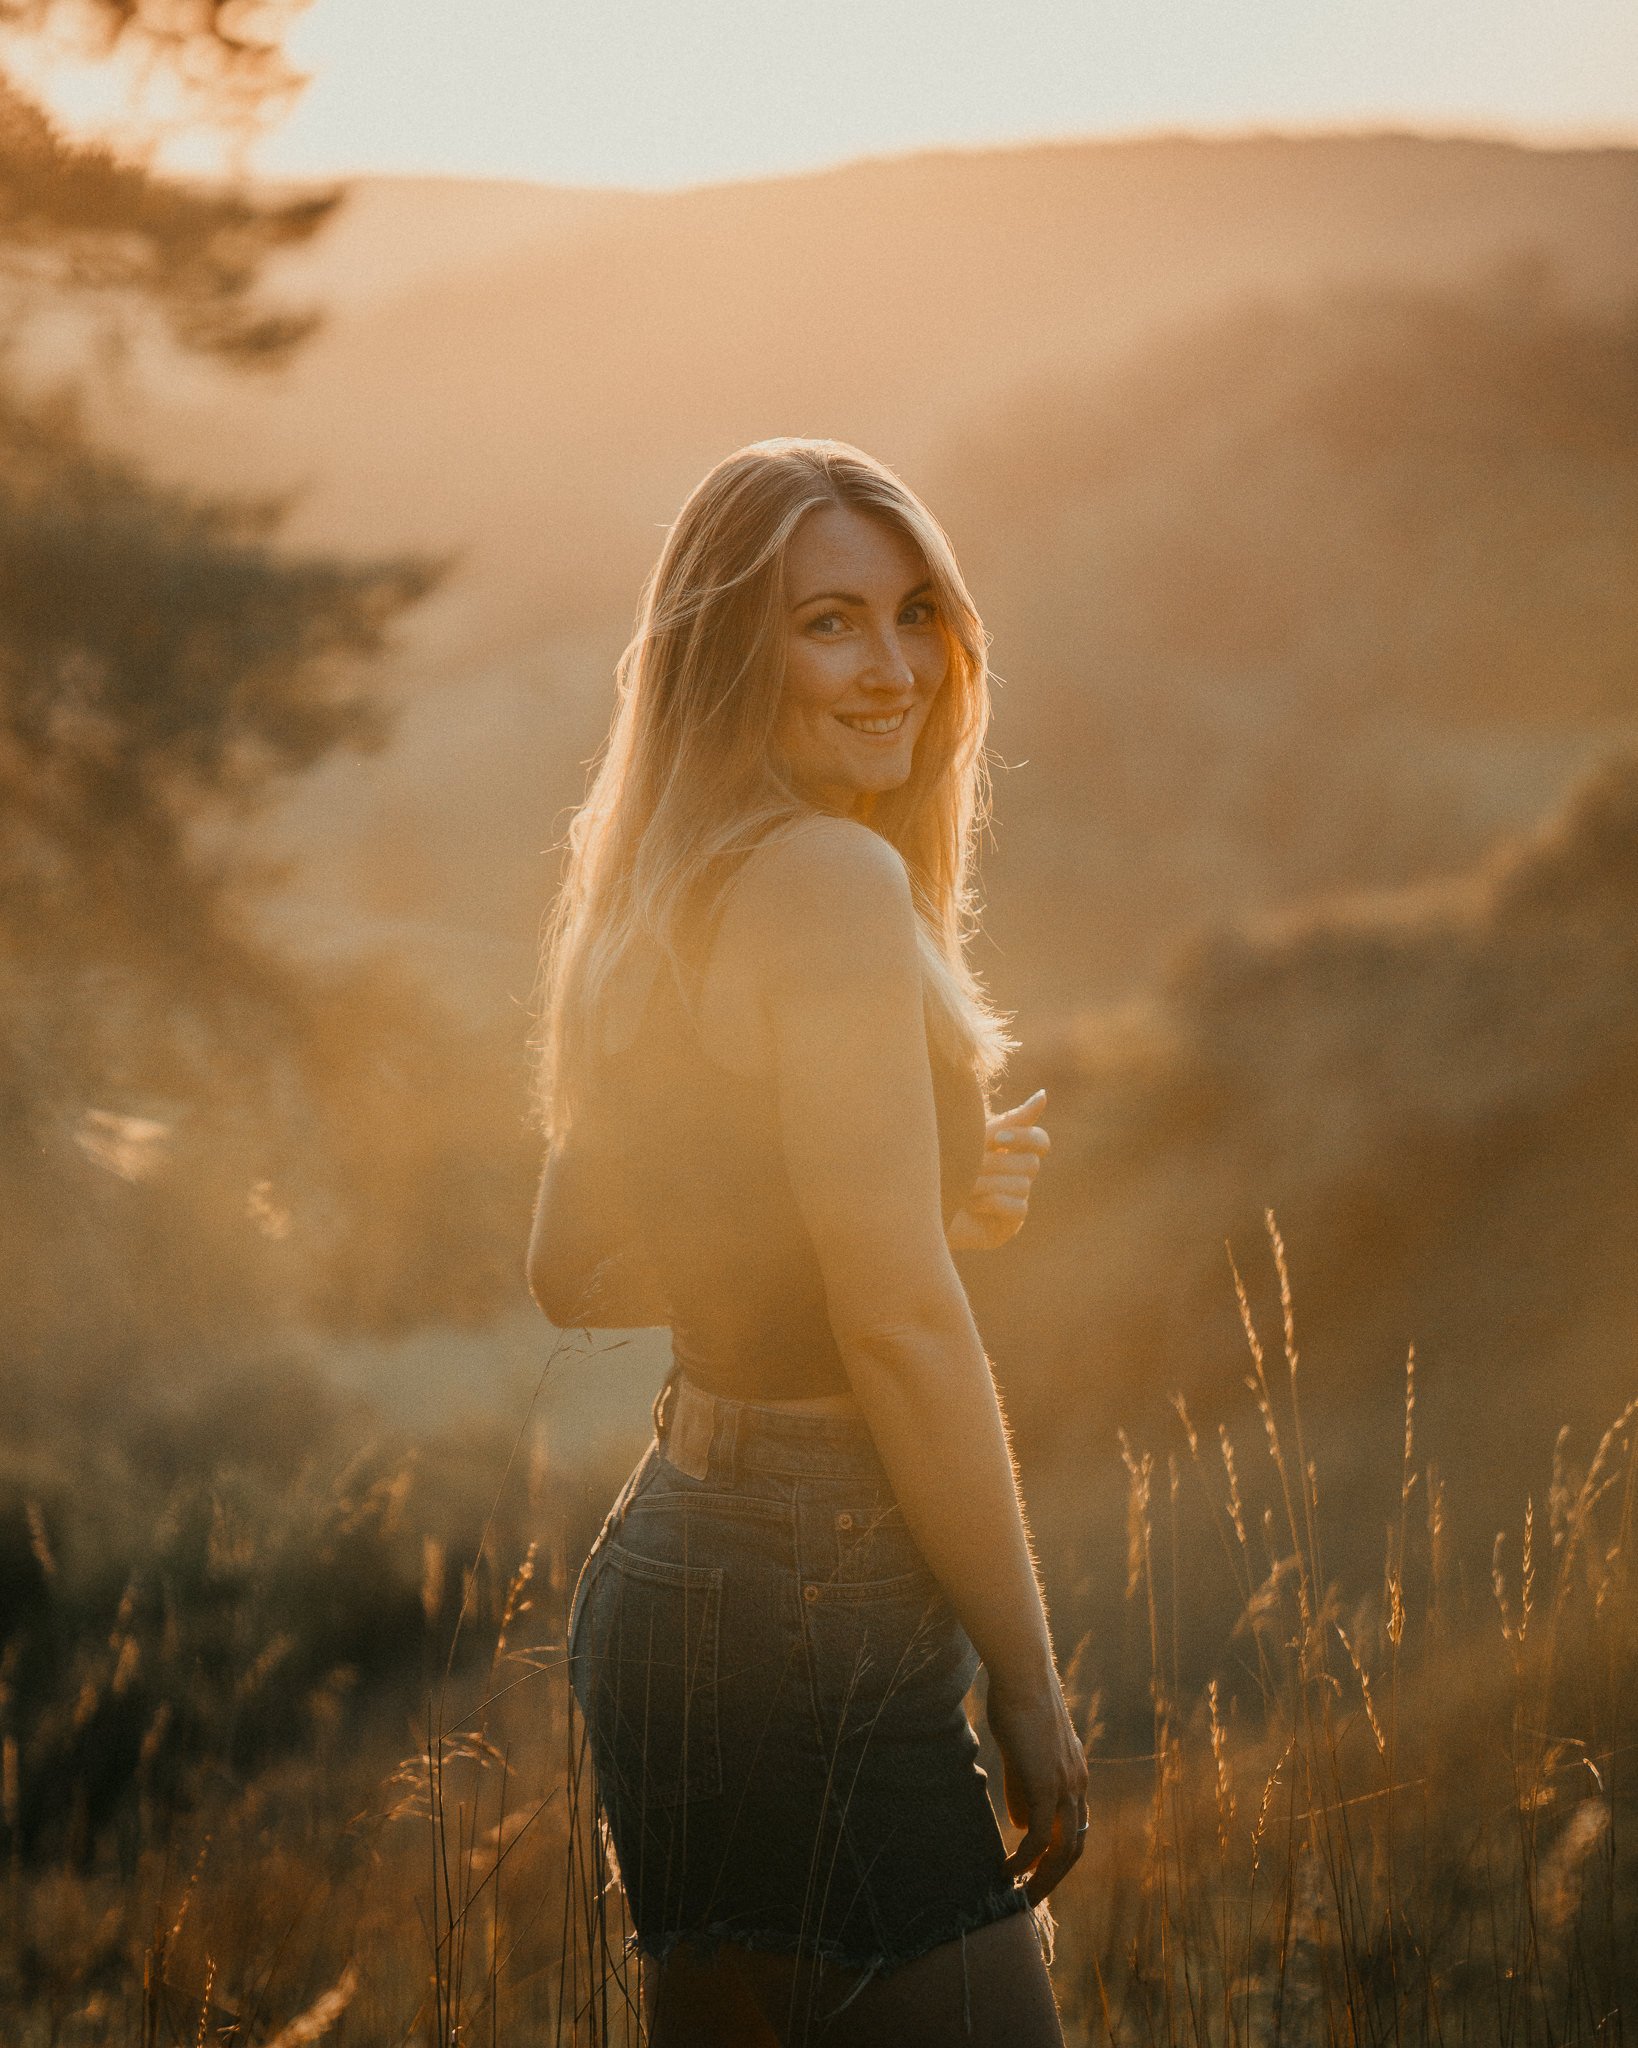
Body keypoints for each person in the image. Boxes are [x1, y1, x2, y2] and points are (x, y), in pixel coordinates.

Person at [528, 438, 1087, 2045]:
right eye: (828, 621)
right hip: (806, 1593)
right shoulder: (833, 881)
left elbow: (578, 1267)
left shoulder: (650, 886)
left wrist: (878, 1218)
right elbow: (901, 1328)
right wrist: (1031, 1684)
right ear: (727, 647)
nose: (895, 666)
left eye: (915, 613)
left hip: (673, 1575)